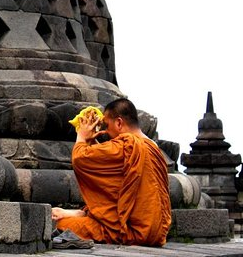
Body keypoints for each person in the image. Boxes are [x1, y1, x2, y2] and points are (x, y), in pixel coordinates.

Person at [51, 98, 172, 248]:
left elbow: (81, 158)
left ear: (119, 123)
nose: (105, 132)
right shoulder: (153, 148)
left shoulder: (129, 144)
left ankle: (77, 217)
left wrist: (82, 136)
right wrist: (92, 141)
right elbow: (118, 184)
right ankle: (81, 214)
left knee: (64, 224)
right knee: (75, 218)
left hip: (135, 232)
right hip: (159, 233)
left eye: (107, 126)